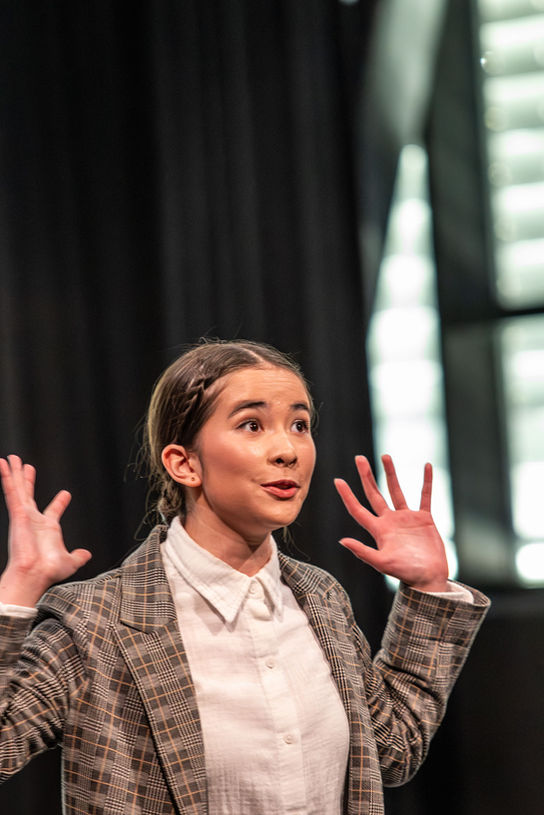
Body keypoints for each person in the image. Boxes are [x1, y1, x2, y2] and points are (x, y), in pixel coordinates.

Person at [0, 339, 489, 815]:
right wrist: (19, 585)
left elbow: (394, 751)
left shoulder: (320, 598)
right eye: (252, 425)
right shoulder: (95, 623)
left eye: (299, 425)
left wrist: (427, 588)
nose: (287, 450)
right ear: (184, 463)